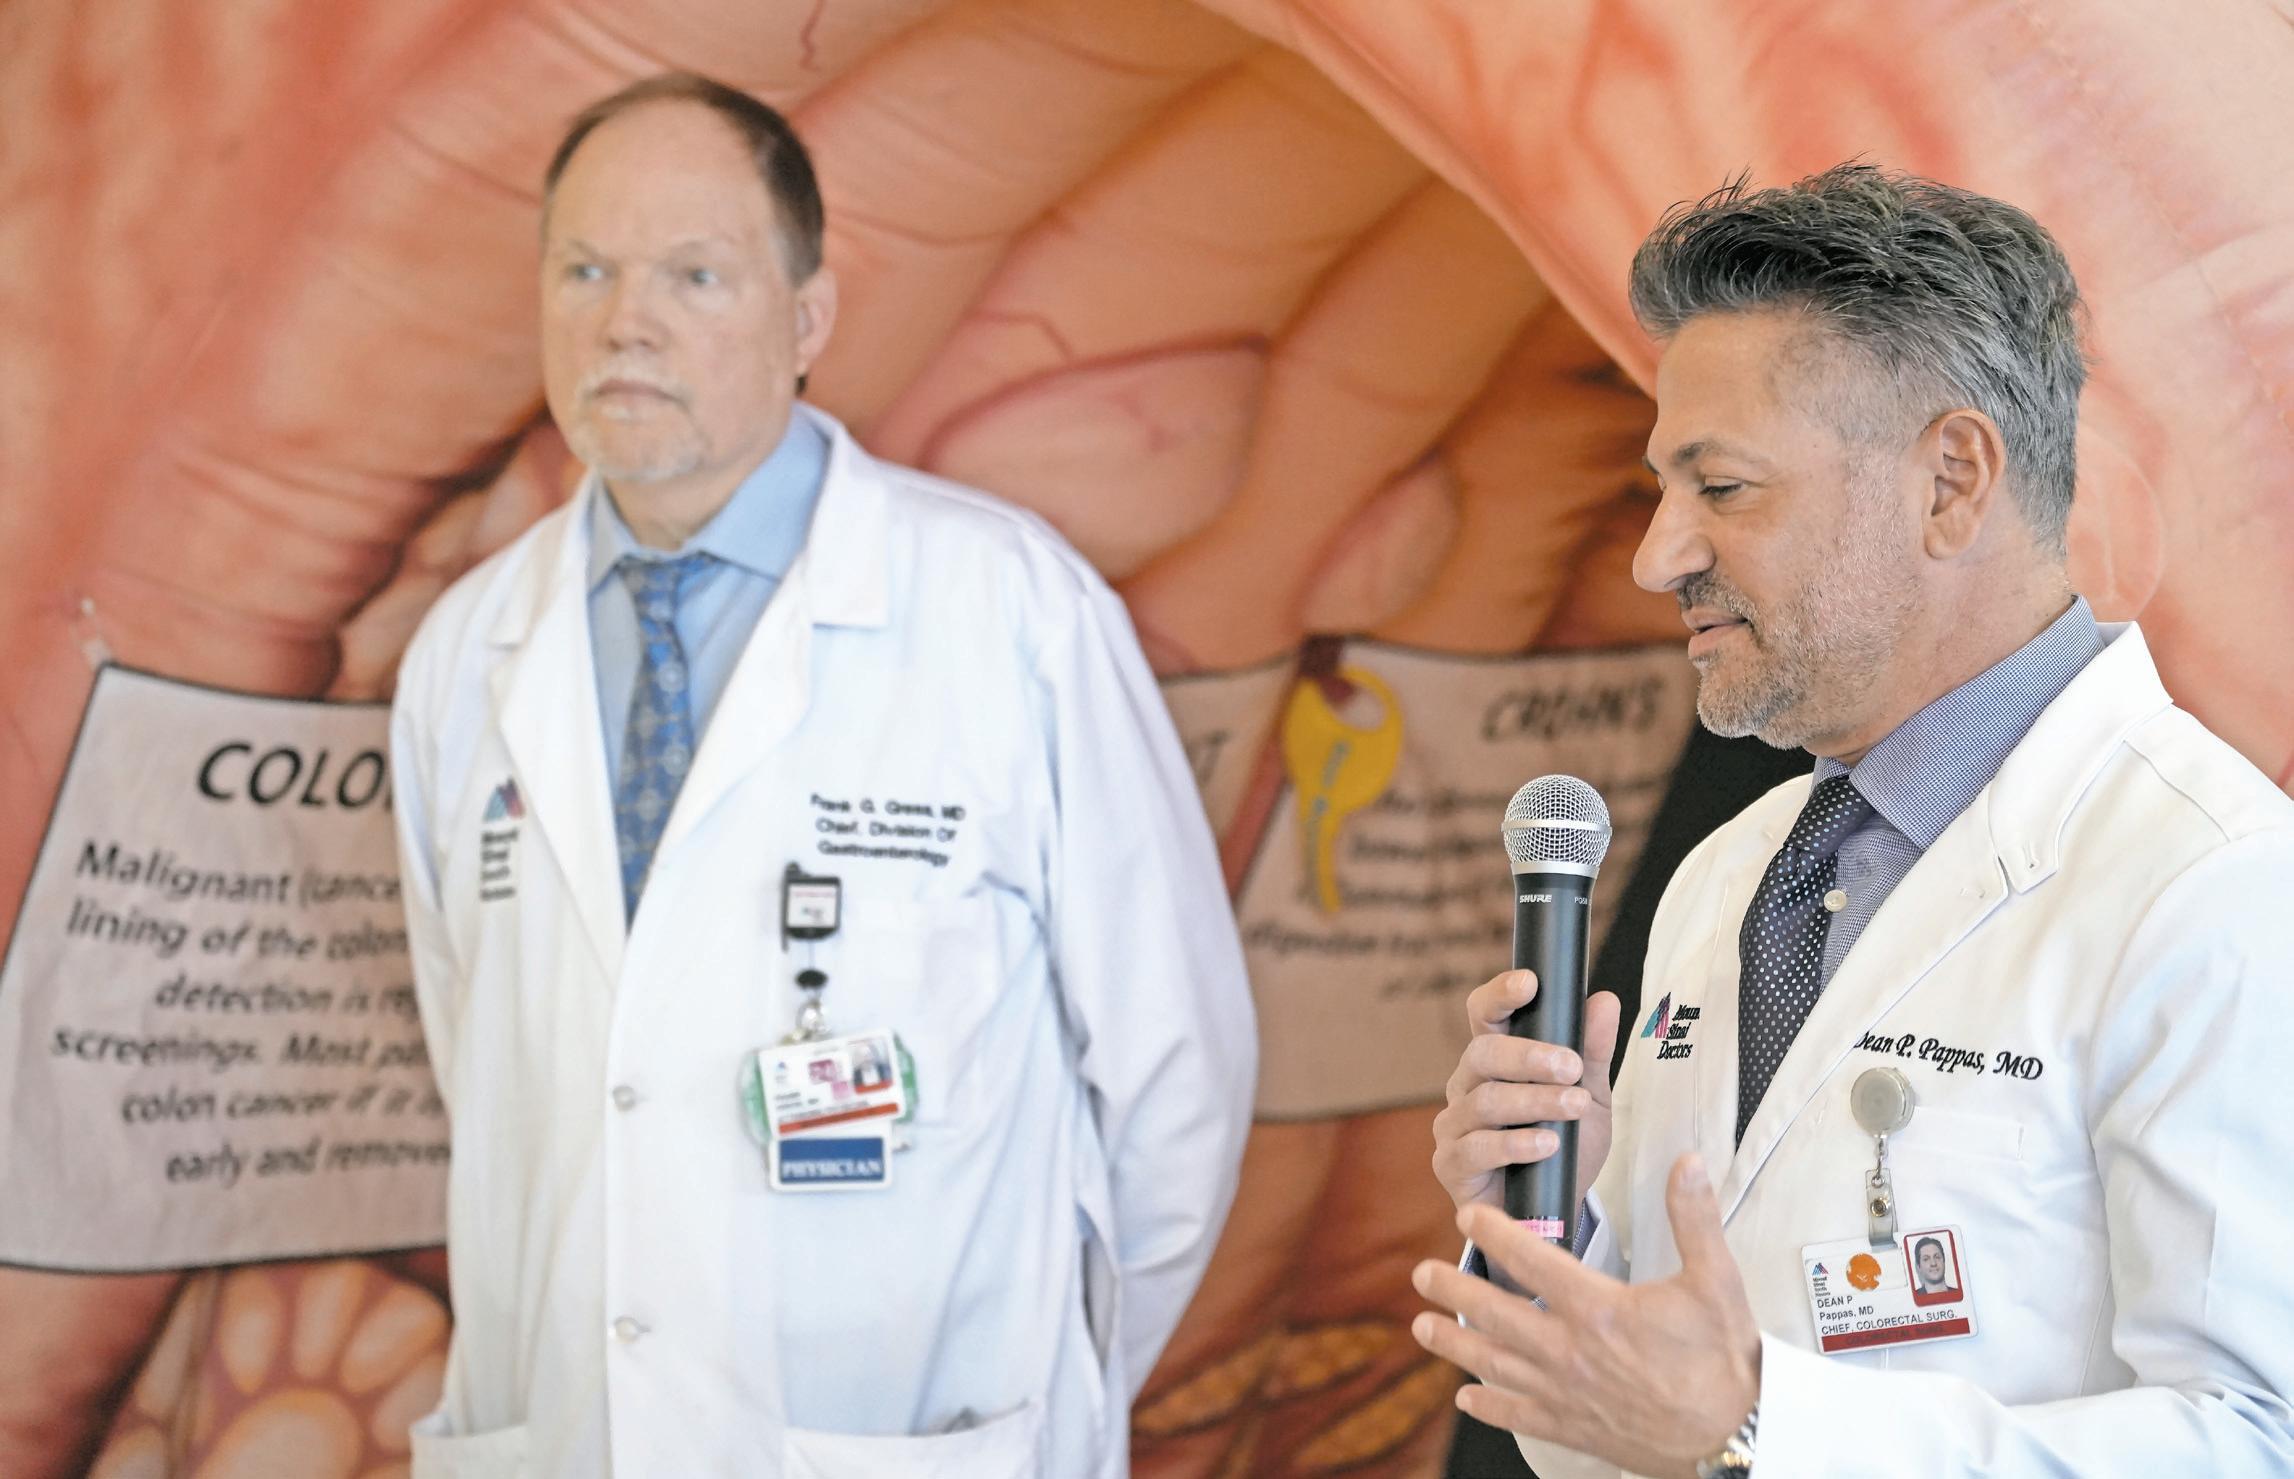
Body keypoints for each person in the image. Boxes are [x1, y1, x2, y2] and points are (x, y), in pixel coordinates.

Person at [389, 72, 1256, 1478]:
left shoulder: (1007, 610)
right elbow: (487, 1063)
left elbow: (1177, 1082)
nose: (625, 321)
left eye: (694, 274)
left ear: (806, 318)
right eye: (585, 269)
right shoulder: (464, 654)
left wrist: (1058, 1398)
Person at [1413, 164, 2294, 1476]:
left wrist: (1755, 1425)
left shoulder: (2215, 883)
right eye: (1661, 491)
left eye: (1721, 488)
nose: (1658, 555)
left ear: (1948, 481)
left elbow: (2254, 1437)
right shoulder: (1728, 874)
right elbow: (1661, 1405)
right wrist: (1565, 1240)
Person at [1911, 1235, 1957, 1300]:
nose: (1933, 1263)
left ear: (1944, 1260)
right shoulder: (1912, 1299)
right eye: (1926, 1259)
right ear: (1919, 1266)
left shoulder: (1959, 1293)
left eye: (1937, 1257)